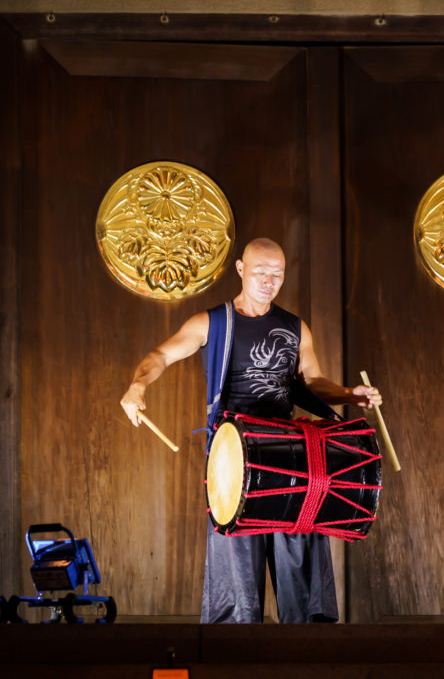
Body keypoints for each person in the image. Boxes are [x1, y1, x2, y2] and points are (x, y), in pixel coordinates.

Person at [120, 237, 381, 623]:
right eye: (260, 272)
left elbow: (312, 382)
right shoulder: (213, 322)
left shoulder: (294, 327)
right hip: (232, 455)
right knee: (237, 578)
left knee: (302, 557)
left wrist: (348, 395)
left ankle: (309, 652)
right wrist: (138, 385)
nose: (268, 281)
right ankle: (232, 654)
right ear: (240, 269)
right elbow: (160, 355)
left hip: (288, 453)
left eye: (277, 274)